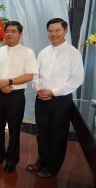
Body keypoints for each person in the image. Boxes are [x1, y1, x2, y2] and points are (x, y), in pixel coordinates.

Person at [26, 18, 84, 178]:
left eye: (57, 30)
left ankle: (53, 167)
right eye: (50, 31)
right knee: (42, 132)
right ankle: (41, 161)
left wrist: (54, 92)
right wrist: (39, 89)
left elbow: (77, 79)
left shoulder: (73, 53)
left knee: (58, 134)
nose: (53, 34)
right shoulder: (44, 52)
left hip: (61, 100)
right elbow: (35, 74)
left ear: (65, 31)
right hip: (42, 98)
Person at [0, 21, 38, 173]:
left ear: (20, 34)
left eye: (13, 31)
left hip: (16, 95)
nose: (9, 34)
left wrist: (9, 82)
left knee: (14, 129)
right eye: (7, 31)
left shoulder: (28, 53)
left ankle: (12, 160)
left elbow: (29, 75)